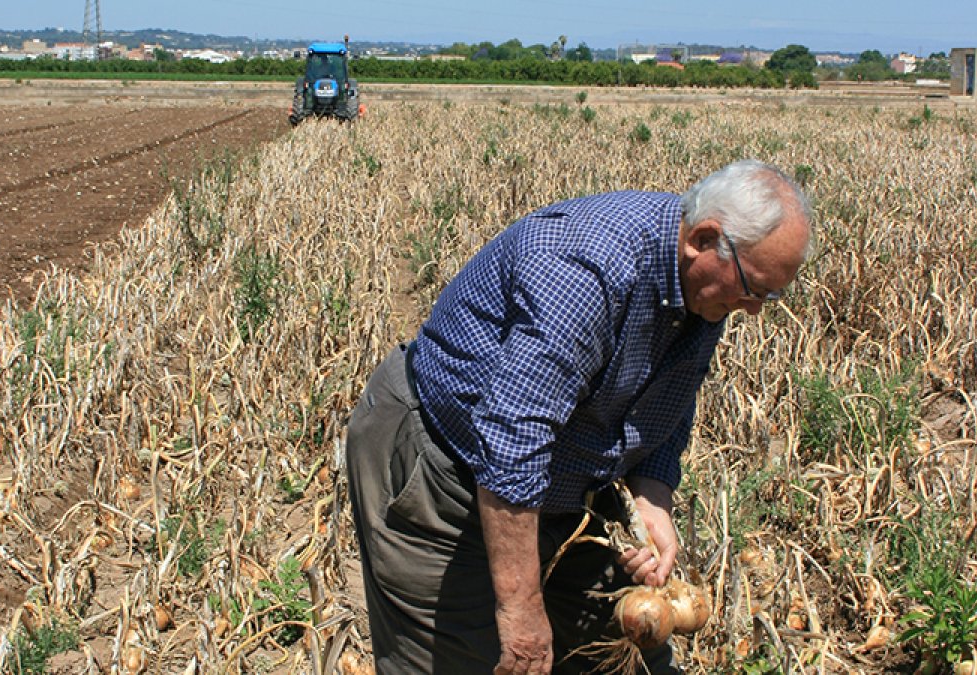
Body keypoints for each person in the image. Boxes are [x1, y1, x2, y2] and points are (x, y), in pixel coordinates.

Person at [346, 159, 813, 674]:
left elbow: (671, 396)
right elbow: (513, 438)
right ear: (703, 238)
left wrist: (652, 496)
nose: (754, 309)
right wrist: (521, 608)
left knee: (625, 655)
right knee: (466, 660)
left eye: (770, 295)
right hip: (444, 472)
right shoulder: (589, 265)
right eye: (754, 289)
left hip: (561, 489)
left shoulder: (707, 288)